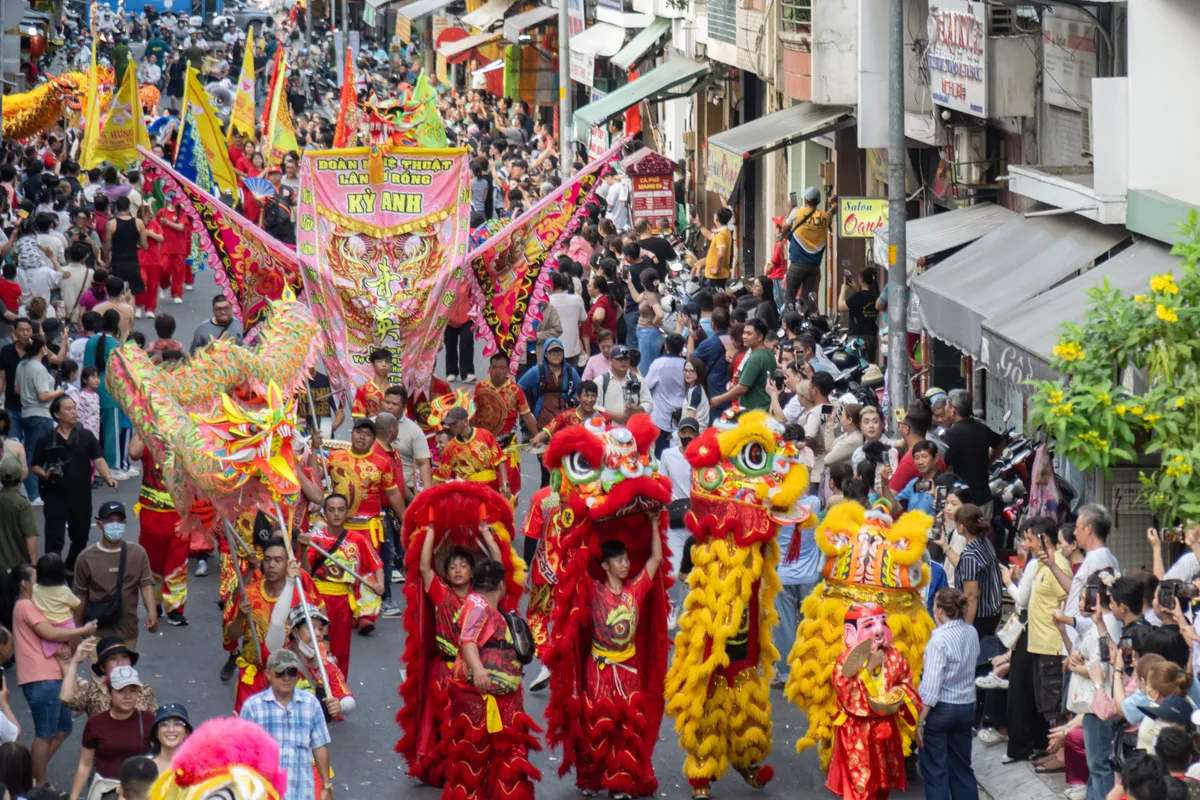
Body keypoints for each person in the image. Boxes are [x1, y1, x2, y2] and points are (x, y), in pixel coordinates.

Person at [559, 529, 664, 797]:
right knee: (597, 725)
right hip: (599, 669)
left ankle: (620, 782)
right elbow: (572, 566)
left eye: (627, 559)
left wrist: (652, 524)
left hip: (628, 670)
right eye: (619, 560)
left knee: (627, 728)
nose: (626, 564)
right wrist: (582, 526)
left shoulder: (636, 589)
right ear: (605, 565)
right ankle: (593, 778)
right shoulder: (592, 590)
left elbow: (655, 559)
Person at [444, 559, 541, 800]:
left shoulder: (480, 603)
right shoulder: (478, 607)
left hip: (498, 698)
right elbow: (468, 641)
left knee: (495, 756)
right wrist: (478, 671)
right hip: (482, 698)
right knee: (476, 758)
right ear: (501, 585)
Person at [826, 602, 922, 800]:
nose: (878, 629)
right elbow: (846, 693)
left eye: (882, 622)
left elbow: (907, 681)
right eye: (869, 625)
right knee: (860, 787)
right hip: (857, 732)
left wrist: (899, 692)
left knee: (882, 786)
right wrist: (869, 667)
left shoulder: (893, 655)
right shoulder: (846, 660)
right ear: (851, 632)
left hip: (885, 729)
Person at [13, 562, 98, 785]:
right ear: (24, 584)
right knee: (45, 734)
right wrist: (84, 630)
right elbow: (50, 633)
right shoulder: (25, 606)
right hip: (41, 678)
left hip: (51, 678)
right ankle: (38, 786)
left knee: (63, 728)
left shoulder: (32, 604)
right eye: (35, 579)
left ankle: (28, 778)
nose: (41, 583)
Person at [223, 538, 322, 712]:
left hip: (287, 679)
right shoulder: (249, 594)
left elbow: (312, 642)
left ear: (288, 564)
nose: (271, 565)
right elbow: (232, 635)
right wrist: (240, 617)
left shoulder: (301, 599)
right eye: (267, 559)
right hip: (252, 678)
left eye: (278, 560)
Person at [31, 396, 119, 570]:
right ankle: (52, 575)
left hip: (81, 496)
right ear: (57, 414)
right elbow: (34, 465)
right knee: (54, 539)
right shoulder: (47, 440)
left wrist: (108, 477)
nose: (74, 412)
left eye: (74, 408)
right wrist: (45, 474)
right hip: (55, 496)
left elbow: (99, 459)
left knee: (80, 538)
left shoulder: (86, 436)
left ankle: (70, 567)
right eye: (68, 409)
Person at [302, 494, 384, 676]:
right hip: (319, 600)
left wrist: (381, 585)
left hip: (343, 603)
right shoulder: (315, 539)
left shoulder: (357, 539)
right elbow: (306, 572)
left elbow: (376, 564)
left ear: (347, 513)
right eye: (331, 510)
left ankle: (338, 687)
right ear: (325, 513)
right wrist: (303, 548)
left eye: (341, 510)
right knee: (316, 644)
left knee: (340, 649)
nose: (336, 514)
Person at [239, 649, 333, 800]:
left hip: (301, 792)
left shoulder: (311, 704)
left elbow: (320, 746)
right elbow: (241, 752)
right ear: (268, 675)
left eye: (292, 672)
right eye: (280, 673)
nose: (286, 678)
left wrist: (326, 785)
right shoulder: (253, 707)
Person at [917, 588, 981, 800]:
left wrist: (920, 721)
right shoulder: (971, 632)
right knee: (962, 768)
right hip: (966, 707)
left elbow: (931, 687)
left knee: (936, 771)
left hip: (941, 710)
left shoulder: (938, 640)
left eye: (935, 605)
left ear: (941, 610)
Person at [315, 418, 405, 560]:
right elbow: (315, 477)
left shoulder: (383, 463)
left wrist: (405, 521)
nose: (362, 437)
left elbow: (393, 493)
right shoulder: (335, 456)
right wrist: (314, 449)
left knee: (369, 572)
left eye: (368, 434)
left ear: (374, 439)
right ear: (352, 434)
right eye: (358, 432)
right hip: (339, 526)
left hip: (369, 528)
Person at [72, 502, 157, 648]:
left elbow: (146, 585)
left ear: (125, 523)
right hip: (96, 634)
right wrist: (76, 630)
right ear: (99, 525)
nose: (115, 524)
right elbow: (81, 595)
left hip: (127, 632)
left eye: (119, 520)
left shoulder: (137, 553)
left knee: (124, 671)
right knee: (99, 671)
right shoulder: (86, 558)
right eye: (110, 521)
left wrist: (152, 612)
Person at [68, 666, 155, 800]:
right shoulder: (95, 723)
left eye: (133, 691)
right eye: (121, 691)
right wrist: (73, 797)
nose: (127, 696)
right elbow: (85, 763)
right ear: (110, 692)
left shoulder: (148, 719)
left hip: (140, 791)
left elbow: (161, 757)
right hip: (106, 789)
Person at [128, 435, 188, 626]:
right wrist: (143, 424)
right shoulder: (149, 435)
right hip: (152, 512)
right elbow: (133, 453)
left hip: (180, 513)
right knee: (153, 562)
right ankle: (154, 603)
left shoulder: (185, 434)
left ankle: (176, 608)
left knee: (178, 562)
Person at [472, 352, 539, 497]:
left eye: (502, 368)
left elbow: (526, 416)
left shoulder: (516, 391)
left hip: (508, 447)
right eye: (495, 367)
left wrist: (537, 437)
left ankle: (509, 518)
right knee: (485, 488)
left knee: (510, 487)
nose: (498, 371)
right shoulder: (480, 387)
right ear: (490, 369)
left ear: (508, 370)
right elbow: (474, 414)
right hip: (484, 447)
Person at [60, 636, 157, 717]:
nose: (120, 662)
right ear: (102, 667)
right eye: (113, 659)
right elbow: (66, 700)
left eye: (124, 657)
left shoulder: (144, 690)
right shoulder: (93, 693)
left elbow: (156, 724)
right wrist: (75, 661)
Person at [941, 390, 1004, 510]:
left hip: (962, 500)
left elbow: (948, 466)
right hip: (984, 496)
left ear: (953, 411)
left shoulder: (951, 434)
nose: (945, 408)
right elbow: (1000, 444)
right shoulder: (982, 428)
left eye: (947, 406)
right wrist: (988, 461)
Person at [946, 504, 1003, 637]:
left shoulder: (970, 556)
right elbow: (964, 567)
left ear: (962, 527)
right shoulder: (985, 543)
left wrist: (967, 628)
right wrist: (945, 545)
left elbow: (971, 597)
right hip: (994, 612)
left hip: (980, 618)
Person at [433, 407, 510, 497]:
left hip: (490, 489)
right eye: (449, 424)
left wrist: (505, 484)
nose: (451, 427)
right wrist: (427, 495)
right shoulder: (450, 448)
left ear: (465, 421)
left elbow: (500, 460)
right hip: (467, 494)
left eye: (453, 424)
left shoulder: (485, 435)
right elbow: (441, 475)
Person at [518, 338, 580, 437]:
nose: (556, 355)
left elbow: (580, 391)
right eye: (552, 352)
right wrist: (525, 409)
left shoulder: (570, 372)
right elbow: (518, 388)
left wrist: (573, 400)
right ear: (545, 354)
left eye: (559, 352)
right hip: (542, 424)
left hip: (565, 424)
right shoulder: (537, 371)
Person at [713, 318, 775, 413]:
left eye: (749, 334)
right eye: (744, 333)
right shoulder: (768, 353)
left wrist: (719, 399)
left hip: (755, 413)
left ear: (760, 337)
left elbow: (742, 387)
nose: (744, 337)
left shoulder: (756, 358)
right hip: (765, 409)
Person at [784, 187, 831, 313]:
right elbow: (832, 212)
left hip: (797, 264)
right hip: (814, 266)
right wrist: (833, 203)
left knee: (789, 297)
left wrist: (789, 210)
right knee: (808, 297)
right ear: (818, 201)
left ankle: (789, 322)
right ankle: (810, 323)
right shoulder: (825, 217)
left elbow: (784, 227)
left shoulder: (797, 212)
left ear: (805, 200)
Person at [645, 334, 687, 456]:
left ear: (666, 347)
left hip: (661, 416)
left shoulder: (659, 363)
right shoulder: (686, 365)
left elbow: (647, 385)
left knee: (659, 454)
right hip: (681, 414)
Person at [103, 197, 147, 297]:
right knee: (132, 294)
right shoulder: (139, 223)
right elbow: (145, 246)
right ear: (129, 207)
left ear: (117, 208)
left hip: (117, 263)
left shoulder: (111, 224)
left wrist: (107, 261)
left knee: (118, 292)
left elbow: (108, 246)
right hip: (133, 263)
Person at [597, 345, 652, 424]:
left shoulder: (639, 380)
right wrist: (613, 415)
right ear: (610, 360)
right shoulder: (600, 381)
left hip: (632, 428)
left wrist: (637, 409)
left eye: (626, 359)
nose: (623, 362)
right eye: (619, 359)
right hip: (608, 430)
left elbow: (649, 403)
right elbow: (594, 406)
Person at [0, 455, 36, 571]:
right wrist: (34, 566)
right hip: (16, 568)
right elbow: (30, 537)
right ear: (20, 478)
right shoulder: (22, 504)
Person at [546, 271, 587, 368]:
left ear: (549, 286)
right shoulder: (576, 299)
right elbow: (582, 319)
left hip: (552, 351)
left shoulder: (545, 302)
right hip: (573, 349)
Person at [838, 269, 880, 360]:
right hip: (872, 336)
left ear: (861, 278)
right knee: (870, 367)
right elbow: (862, 302)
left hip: (857, 337)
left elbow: (841, 306)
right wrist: (856, 289)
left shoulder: (858, 296)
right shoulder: (876, 295)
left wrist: (843, 289)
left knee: (856, 366)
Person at [625, 268, 664, 367]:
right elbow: (637, 299)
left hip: (648, 333)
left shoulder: (651, 296)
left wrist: (654, 323)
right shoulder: (647, 292)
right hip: (644, 332)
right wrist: (629, 283)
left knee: (644, 366)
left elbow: (660, 314)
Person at [691, 207, 732, 289]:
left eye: (715, 215)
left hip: (716, 276)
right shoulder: (721, 232)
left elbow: (721, 254)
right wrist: (699, 225)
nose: (713, 216)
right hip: (714, 276)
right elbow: (710, 236)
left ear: (717, 218)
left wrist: (717, 269)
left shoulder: (721, 235)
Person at [352, 348, 391, 419]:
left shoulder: (396, 390)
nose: (384, 364)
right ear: (373, 365)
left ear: (391, 366)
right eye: (379, 361)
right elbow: (360, 416)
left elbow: (403, 416)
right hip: (371, 428)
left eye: (387, 362)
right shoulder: (363, 389)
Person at [681, 357, 710, 431]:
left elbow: (689, 423)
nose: (687, 374)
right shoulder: (698, 389)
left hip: (694, 435)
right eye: (686, 370)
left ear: (699, 372)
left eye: (692, 371)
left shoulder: (695, 392)